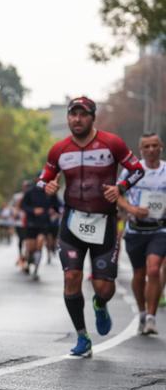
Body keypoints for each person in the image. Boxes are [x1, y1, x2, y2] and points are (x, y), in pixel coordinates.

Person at [37, 96, 144, 357]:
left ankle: (99, 303)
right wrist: (48, 186)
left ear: (92, 117)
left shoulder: (111, 143)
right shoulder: (59, 150)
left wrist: (120, 188)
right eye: (73, 114)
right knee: (71, 278)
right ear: (68, 118)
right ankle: (83, 337)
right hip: (72, 223)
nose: (77, 119)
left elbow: (137, 169)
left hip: (104, 222)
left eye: (83, 114)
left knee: (103, 287)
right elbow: (43, 179)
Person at [116, 133, 166, 335]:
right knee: (139, 274)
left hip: (160, 229)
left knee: (154, 270)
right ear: (141, 150)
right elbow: (116, 193)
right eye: (147, 146)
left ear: (161, 147)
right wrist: (132, 209)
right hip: (136, 229)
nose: (151, 149)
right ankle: (142, 312)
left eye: (155, 145)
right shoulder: (133, 170)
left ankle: (152, 318)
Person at [20, 179, 60, 280]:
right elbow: (23, 206)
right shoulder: (30, 192)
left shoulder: (50, 192)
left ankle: (36, 271)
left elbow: (58, 206)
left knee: (40, 244)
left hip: (44, 224)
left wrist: (54, 209)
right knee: (30, 248)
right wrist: (33, 210)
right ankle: (29, 262)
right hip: (31, 224)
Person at [11, 181, 30, 272]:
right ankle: (21, 256)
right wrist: (14, 214)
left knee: (27, 241)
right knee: (21, 240)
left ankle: (25, 259)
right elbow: (14, 208)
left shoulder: (32, 196)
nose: (26, 188)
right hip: (20, 222)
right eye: (25, 186)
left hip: (29, 223)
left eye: (27, 186)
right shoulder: (17, 196)